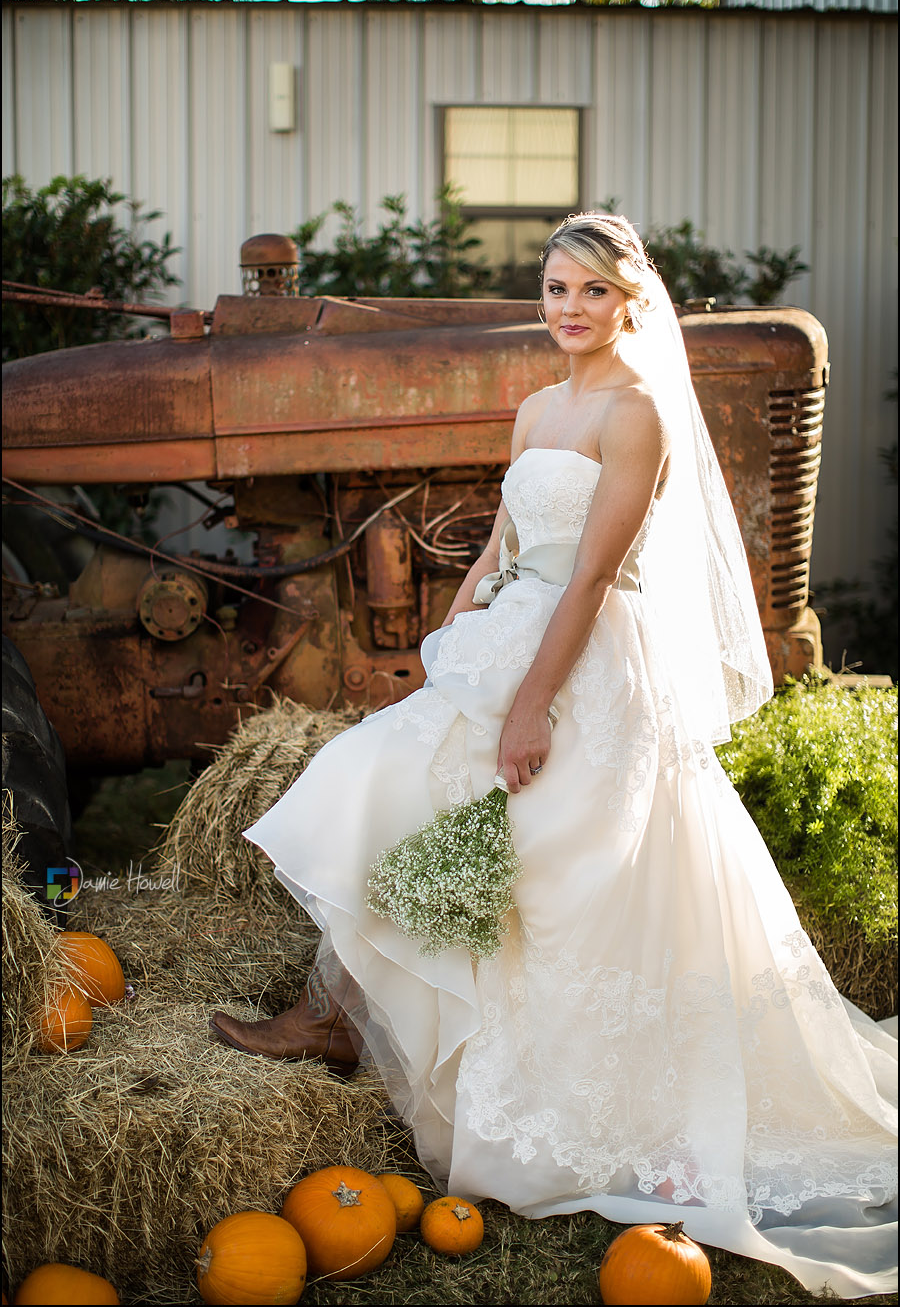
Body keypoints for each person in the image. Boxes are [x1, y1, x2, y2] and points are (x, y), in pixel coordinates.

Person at [210, 213, 897, 1298]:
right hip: (510, 636)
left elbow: (588, 579)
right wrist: (466, 611)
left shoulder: (639, 417)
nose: (568, 308)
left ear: (631, 300)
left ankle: (362, 1029)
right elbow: (512, 538)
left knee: (525, 859)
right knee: (384, 780)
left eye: (590, 291)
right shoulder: (538, 404)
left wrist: (530, 706)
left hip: (584, 667)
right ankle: (336, 1014)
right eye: (554, 287)